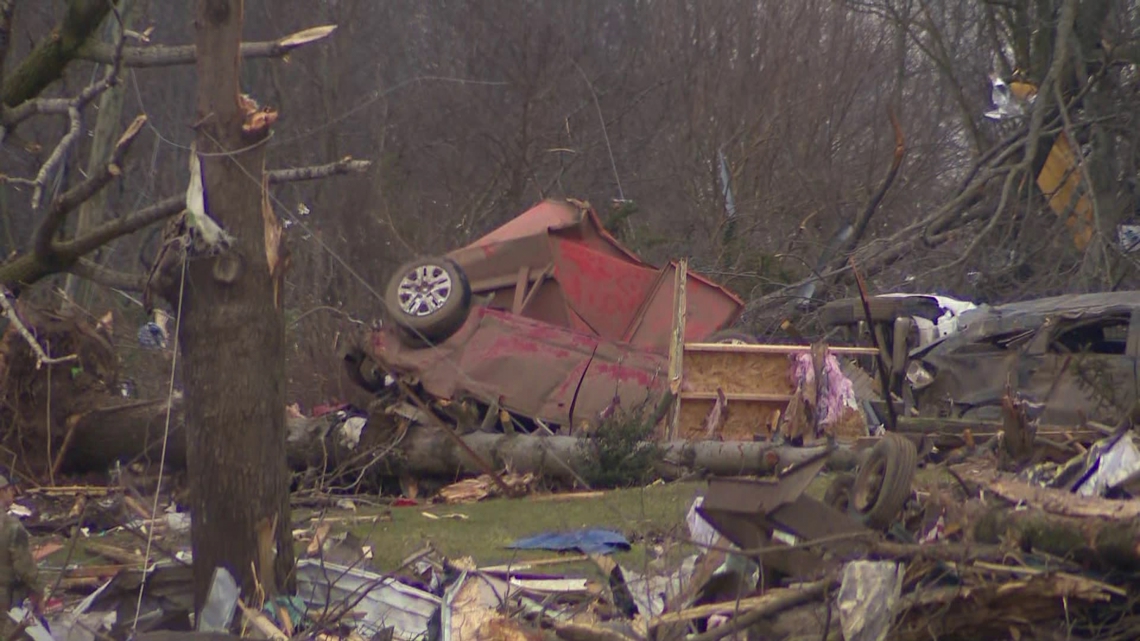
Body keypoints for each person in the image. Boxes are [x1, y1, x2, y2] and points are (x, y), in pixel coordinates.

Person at [0, 471, 42, 640]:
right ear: (1, 492)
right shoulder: (11, 526)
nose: (13, 493)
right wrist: (38, 593)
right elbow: (25, 567)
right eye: (10, 489)